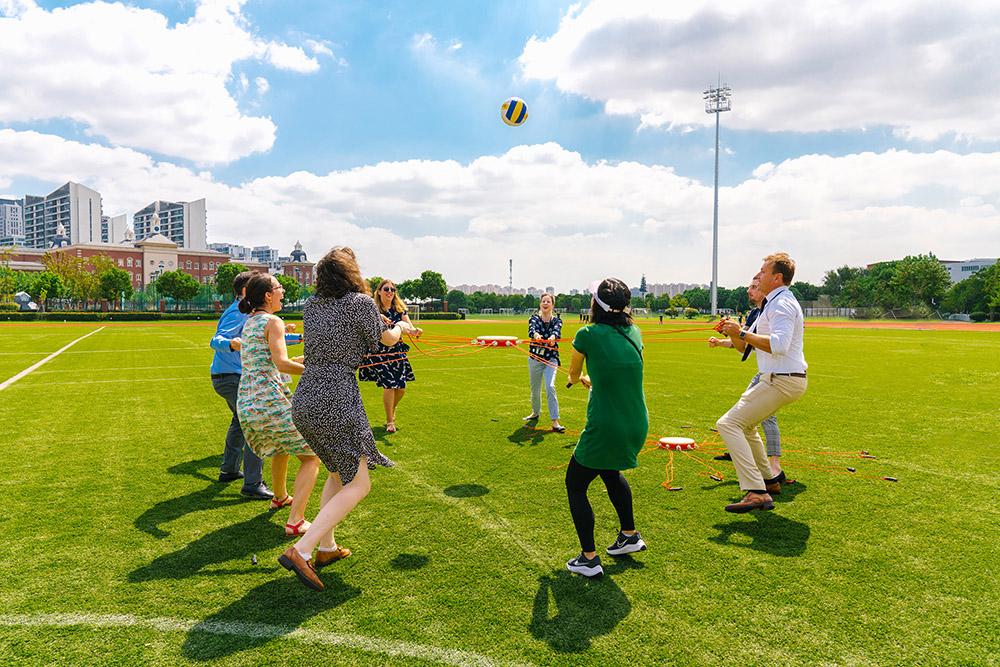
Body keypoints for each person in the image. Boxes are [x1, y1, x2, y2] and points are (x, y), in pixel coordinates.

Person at [280, 247, 416, 591]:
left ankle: (325, 548)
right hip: (335, 396)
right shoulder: (360, 302)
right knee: (359, 482)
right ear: (351, 273)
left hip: (306, 397)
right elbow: (384, 341)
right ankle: (302, 549)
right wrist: (400, 326)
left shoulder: (313, 306)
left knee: (338, 472)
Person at [563, 278, 649, 578]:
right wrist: (594, 379)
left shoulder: (587, 333)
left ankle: (588, 559)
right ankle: (629, 536)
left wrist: (578, 379)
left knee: (575, 483)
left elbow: (573, 373)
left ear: (596, 305)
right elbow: (618, 370)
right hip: (636, 421)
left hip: (606, 424)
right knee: (610, 471)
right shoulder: (635, 331)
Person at [715, 253, 807, 513]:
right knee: (746, 426)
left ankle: (756, 491)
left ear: (777, 278)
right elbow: (744, 347)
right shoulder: (771, 303)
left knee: (728, 424)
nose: (759, 275)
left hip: (782, 380)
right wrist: (733, 333)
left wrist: (742, 331)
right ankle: (769, 480)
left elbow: (779, 345)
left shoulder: (782, 304)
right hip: (779, 379)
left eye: (763, 272)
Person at [236, 273, 322, 536]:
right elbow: (282, 363)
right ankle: (295, 521)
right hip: (269, 401)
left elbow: (270, 361)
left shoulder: (250, 322)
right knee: (311, 456)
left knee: (281, 448)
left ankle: (281, 497)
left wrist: (303, 360)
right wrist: (316, 372)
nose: (283, 291)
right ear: (268, 295)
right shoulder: (273, 321)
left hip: (248, 402)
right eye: (279, 287)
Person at [708, 278, 783, 478]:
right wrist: (722, 340)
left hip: (778, 374)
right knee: (745, 415)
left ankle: (774, 468)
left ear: (764, 289)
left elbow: (772, 343)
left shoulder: (772, 311)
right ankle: (743, 450)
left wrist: (737, 332)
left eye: (754, 287)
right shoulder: (754, 314)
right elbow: (743, 345)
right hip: (764, 373)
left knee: (765, 417)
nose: (749, 291)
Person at [209, 270, 272, 500]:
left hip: (229, 375)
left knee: (240, 420)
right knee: (253, 422)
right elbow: (215, 340)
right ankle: (253, 483)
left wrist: (297, 338)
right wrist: (232, 344)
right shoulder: (237, 312)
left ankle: (229, 469)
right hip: (230, 376)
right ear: (246, 291)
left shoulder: (251, 314)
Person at [359, 279, 422, 433]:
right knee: (390, 385)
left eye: (392, 290)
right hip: (378, 352)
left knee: (401, 388)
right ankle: (389, 421)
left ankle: (391, 411)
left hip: (397, 352)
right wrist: (379, 317)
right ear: (379, 291)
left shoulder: (400, 310)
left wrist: (416, 331)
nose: (389, 292)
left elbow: (409, 327)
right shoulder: (373, 309)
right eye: (386, 289)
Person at [523, 293, 565, 433]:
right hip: (535, 358)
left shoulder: (557, 321)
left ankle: (555, 421)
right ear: (540, 304)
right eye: (543, 301)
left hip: (551, 359)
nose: (545, 303)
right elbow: (532, 329)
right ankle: (535, 413)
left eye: (548, 301)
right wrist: (536, 335)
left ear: (552, 305)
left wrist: (553, 337)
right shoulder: (534, 318)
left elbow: (556, 331)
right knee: (535, 389)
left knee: (550, 386)